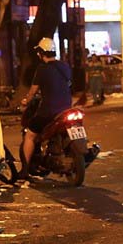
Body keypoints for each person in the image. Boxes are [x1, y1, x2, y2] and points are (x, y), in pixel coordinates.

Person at [20, 37, 73, 178]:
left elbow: (33, 91)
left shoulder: (42, 69)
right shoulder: (64, 66)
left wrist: (26, 101)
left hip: (49, 111)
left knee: (30, 134)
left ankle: (24, 169)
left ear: (41, 53)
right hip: (67, 109)